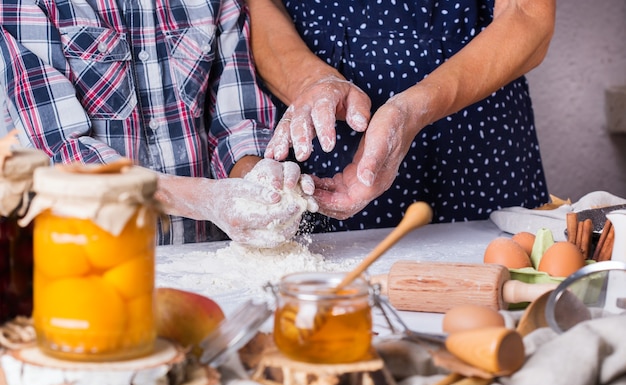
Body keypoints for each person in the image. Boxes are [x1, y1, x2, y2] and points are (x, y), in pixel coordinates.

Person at [0, 0, 315, 245]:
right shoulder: (26, 4)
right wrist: (207, 199)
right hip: (89, 265)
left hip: (207, 261)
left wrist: (259, 183)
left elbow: (234, 127)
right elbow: (61, 156)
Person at [248, 0, 556, 233]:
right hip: (326, 127)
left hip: (473, 127)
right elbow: (261, 6)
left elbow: (527, 14)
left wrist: (412, 109)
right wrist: (311, 83)